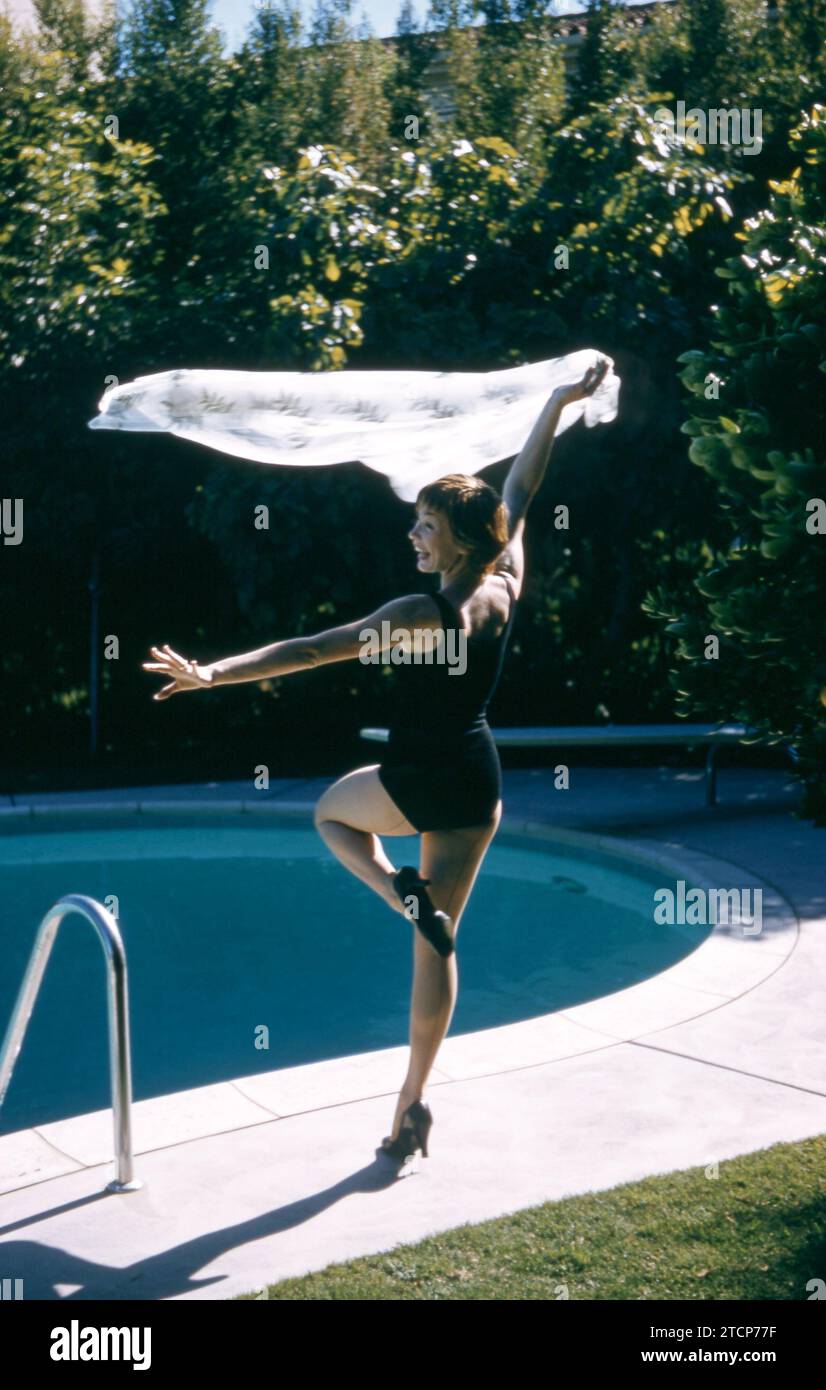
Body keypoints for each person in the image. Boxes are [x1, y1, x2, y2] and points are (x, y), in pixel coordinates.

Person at [143, 357, 610, 1165]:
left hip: (412, 779)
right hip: (476, 777)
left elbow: (312, 650)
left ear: (456, 538)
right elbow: (524, 489)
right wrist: (557, 405)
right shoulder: (503, 582)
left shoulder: (416, 612)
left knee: (329, 814)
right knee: (441, 942)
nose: (413, 534)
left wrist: (212, 673)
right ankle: (412, 1103)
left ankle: (397, 891)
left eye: (425, 525)